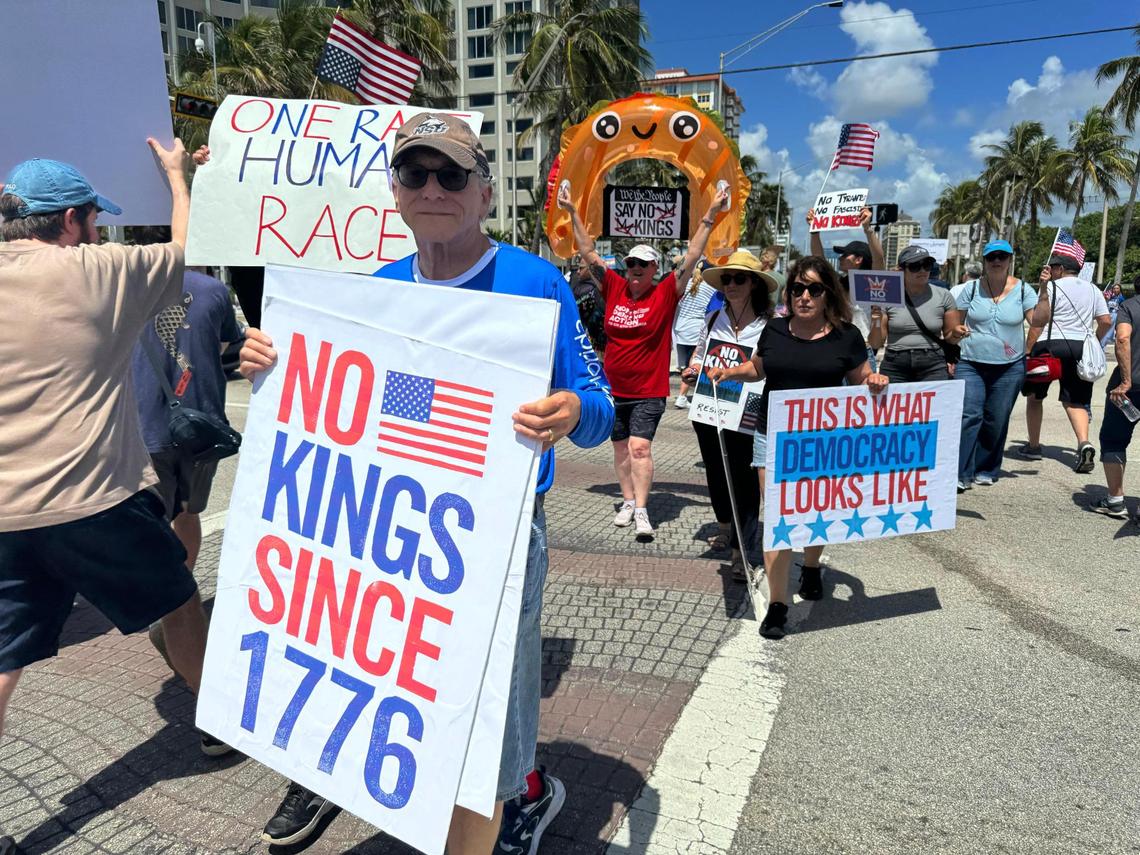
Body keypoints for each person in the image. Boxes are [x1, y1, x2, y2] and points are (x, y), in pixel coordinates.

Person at [233, 114, 614, 854]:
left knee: (493, 694)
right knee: (406, 676)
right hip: (394, 526)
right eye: (415, 174)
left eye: (451, 174)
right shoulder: (378, 288)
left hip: (500, 530)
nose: (433, 187)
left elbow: (602, 409)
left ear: (484, 192)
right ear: (397, 195)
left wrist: (574, 411)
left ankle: (515, 798)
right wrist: (272, 364)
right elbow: (349, 404)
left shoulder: (538, 284)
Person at [0, 146, 213, 749]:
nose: (97, 230)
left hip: (6, 512)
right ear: (70, 220)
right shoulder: (100, 271)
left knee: (4, 658)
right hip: (92, 498)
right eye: (93, 218)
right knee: (178, 599)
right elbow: (189, 251)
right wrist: (177, 178)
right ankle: (220, 726)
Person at [707, 256, 889, 639]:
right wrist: (730, 372)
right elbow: (758, 368)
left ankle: (810, 565)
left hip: (821, 441)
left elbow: (860, 378)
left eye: (814, 289)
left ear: (827, 295)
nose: (804, 296)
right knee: (776, 518)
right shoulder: (774, 330)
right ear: (788, 293)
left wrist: (873, 380)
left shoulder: (846, 336)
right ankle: (778, 603)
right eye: (797, 289)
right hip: (772, 435)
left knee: (813, 510)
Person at [559, 180, 729, 538]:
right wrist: (572, 210)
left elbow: (694, 254)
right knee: (620, 448)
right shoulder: (614, 286)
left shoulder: (667, 291)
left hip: (648, 391)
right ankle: (626, 500)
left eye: (643, 263)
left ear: (655, 268)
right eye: (631, 262)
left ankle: (641, 509)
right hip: (612, 388)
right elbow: (588, 252)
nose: (636, 267)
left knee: (639, 447)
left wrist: (712, 212)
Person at [130, 229, 245, 565]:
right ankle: (184, 594)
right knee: (187, 513)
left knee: (147, 519)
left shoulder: (132, 285)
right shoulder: (214, 290)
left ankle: (154, 598)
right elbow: (224, 346)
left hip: (144, 424)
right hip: (201, 426)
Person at [680, 251, 774, 576]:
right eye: (727, 279)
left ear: (754, 283)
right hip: (710, 407)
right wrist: (693, 368)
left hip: (748, 410)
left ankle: (742, 551)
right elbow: (699, 352)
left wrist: (732, 372)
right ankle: (723, 525)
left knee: (745, 478)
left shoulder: (769, 324)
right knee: (716, 473)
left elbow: (764, 367)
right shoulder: (712, 318)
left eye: (739, 278)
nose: (731, 284)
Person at [950, 240, 1049, 491]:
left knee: (996, 418)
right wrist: (956, 332)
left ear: (1009, 260)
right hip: (970, 362)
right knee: (970, 415)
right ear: (984, 261)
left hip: (1009, 366)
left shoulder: (1024, 289)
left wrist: (1044, 290)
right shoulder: (971, 289)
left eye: (1002, 257)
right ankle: (961, 472)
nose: (996, 261)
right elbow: (953, 326)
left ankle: (986, 468)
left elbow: (1038, 319)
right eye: (991, 257)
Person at [1018, 254, 1111, 471]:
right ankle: (1083, 442)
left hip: (1049, 347)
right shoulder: (1093, 289)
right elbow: (1105, 321)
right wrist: (1094, 341)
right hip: (1080, 347)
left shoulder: (1051, 288)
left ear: (1059, 269)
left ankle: (1033, 447)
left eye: (1051, 268)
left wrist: (1043, 289)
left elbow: (1038, 321)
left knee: (1035, 397)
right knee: (1075, 401)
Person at [868, 244, 966, 382]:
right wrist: (876, 321)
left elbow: (950, 338)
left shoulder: (944, 295)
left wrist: (956, 333)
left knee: (934, 404)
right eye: (915, 266)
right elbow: (876, 343)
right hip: (896, 364)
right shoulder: (887, 296)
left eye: (927, 265)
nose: (922, 270)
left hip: (932, 363)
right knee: (895, 404)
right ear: (901, 270)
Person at [807, 206, 885, 370]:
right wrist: (814, 231)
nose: (840, 258)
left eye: (845, 254)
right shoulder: (839, 284)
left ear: (858, 260)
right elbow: (818, 260)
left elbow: (878, 258)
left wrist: (868, 229)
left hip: (861, 349)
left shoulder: (872, 283)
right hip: (834, 347)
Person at [1094, 276, 1140, 519]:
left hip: (1129, 388)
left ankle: (1115, 499)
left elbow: (1122, 338)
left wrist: (1125, 380)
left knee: (1113, 439)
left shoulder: (1129, 307)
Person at [672, 261, 717, 409]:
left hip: (681, 329)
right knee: (696, 365)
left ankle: (684, 396)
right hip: (695, 329)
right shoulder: (710, 287)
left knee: (685, 365)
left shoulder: (686, 283)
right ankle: (683, 397)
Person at [567, 254, 607, 357]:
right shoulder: (576, 283)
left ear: (591, 268)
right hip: (585, 343)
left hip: (596, 346)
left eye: (581, 268)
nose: (578, 271)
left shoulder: (595, 288)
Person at [1101, 283, 1125, 348]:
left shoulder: (1121, 298)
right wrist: (1104, 296)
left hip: (1115, 315)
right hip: (1107, 315)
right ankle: (1105, 341)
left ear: (1120, 289)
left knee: (1109, 331)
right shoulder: (1110, 297)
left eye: (1117, 288)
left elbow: (1122, 308)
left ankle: (1102, 345)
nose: (1115, 290)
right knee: (1104, 330)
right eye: (1114, 288)